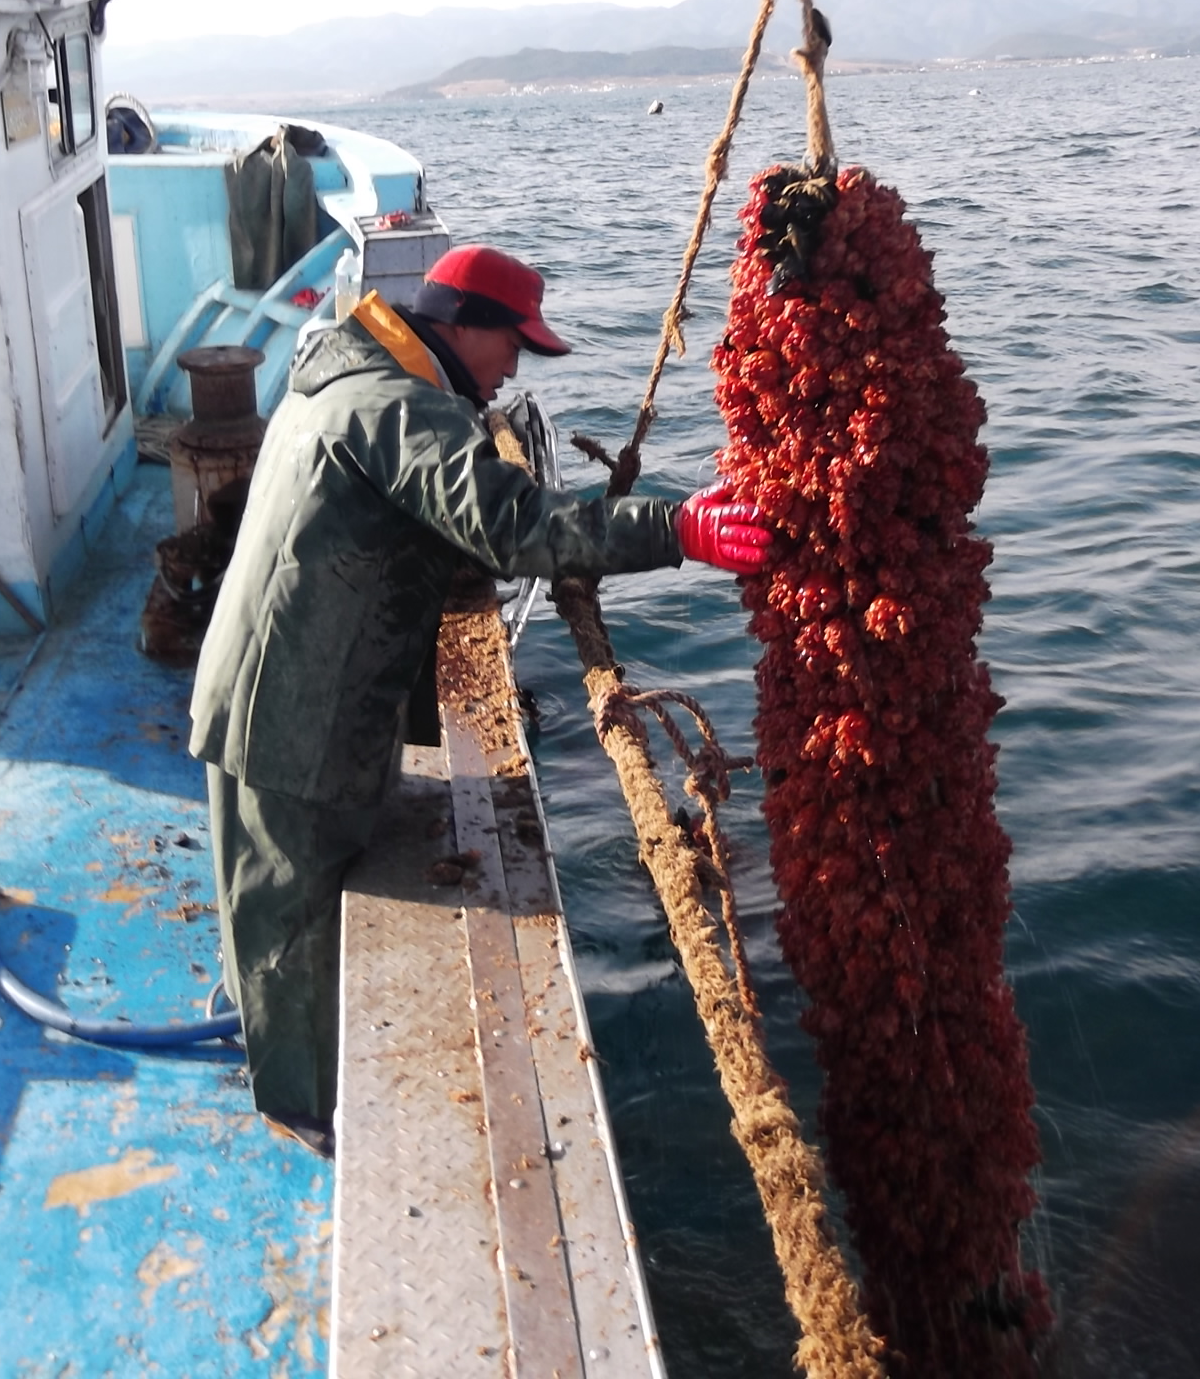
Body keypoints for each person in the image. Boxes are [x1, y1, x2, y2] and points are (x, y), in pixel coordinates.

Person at [187, 243, 769, 1154]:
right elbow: (512, 525)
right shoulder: (398, 409)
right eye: (514, 348)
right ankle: (302, 1113)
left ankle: (281, 1038)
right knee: (286, 931)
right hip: (287, 718)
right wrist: (677, 525)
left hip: (310, 692)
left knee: (283, 901)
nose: (512, 374)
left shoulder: (353, 374)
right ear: (462, 328)